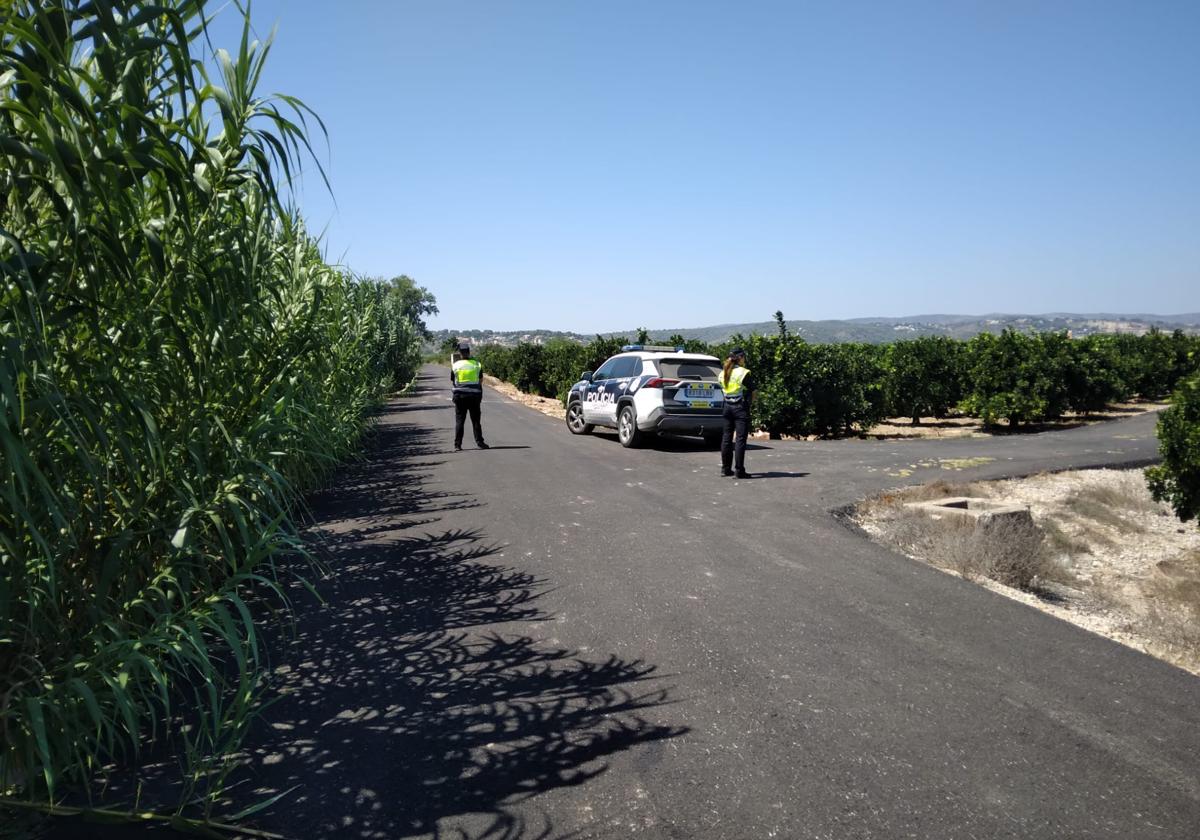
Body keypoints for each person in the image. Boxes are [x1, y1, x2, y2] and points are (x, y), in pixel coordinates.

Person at [719, 347, 753, 478]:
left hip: (727, 407)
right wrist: (749, 404)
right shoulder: (742, 372)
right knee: (740, 440)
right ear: (740, 358)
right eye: (744, 356)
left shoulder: (723, 373)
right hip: (739, 407)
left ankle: (725, 469)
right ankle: (739, 470)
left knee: (726, 438)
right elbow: (753, 390)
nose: (745, 359)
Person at [451, 342, 489, 451]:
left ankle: (457, 445)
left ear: (460, 353)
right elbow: (481, 380)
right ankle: (480, 442)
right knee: (476, 421)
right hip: (474, 396)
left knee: (460, 421)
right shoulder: (477, 364)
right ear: (469, 352)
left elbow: (453, 381)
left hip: (460, 396)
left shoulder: (456, 365)